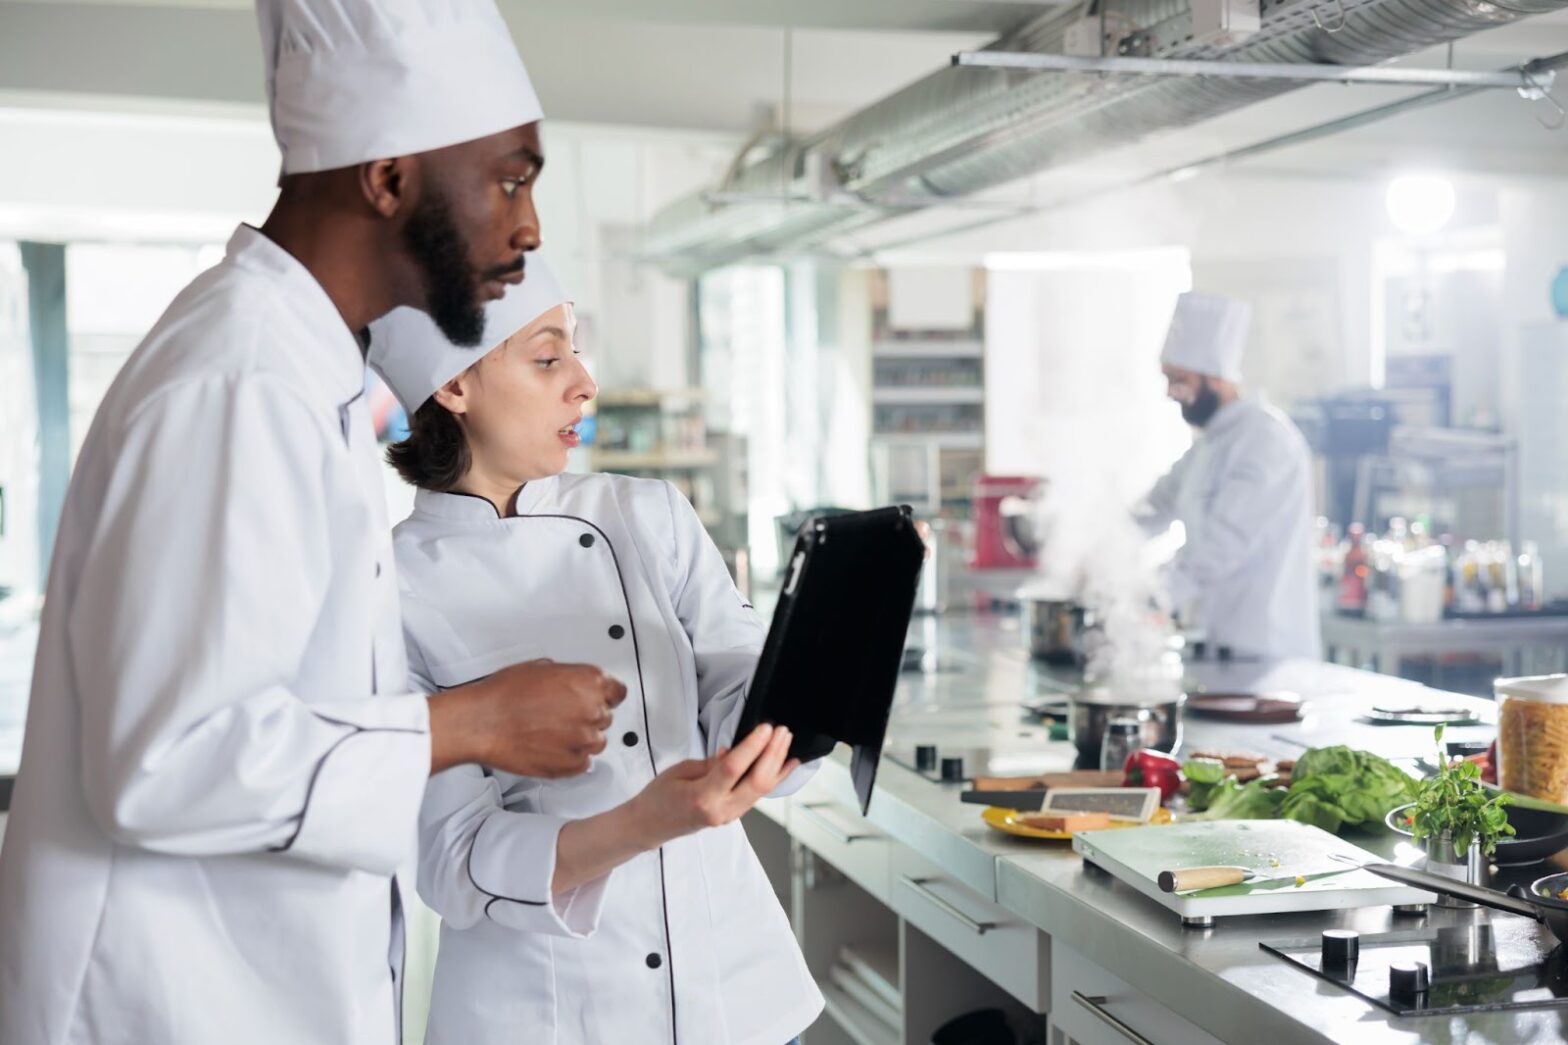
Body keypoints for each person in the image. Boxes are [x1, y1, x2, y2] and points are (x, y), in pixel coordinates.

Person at [0, 2, 626, 1042]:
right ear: (387, 176)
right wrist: (468, 723)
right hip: (156, 1002)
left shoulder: (301, 365)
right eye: (509, 178)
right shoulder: (240, 380)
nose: (528, 229)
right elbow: (169, 758)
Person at [368, 258, 826, 1045]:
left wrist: (807, 686)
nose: (583, 382)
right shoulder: (392, 586)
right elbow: (455, 858)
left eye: (576, 351)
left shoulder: (646, 514)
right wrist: (644, 821)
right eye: (547, 358)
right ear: (454, 386)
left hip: (742, 998)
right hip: (549, 1018)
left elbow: (736, 690)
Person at [1137, 291, 1321, 661]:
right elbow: (1153, 507)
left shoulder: (1265, 441)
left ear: (1215, 378)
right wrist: (1094, 548)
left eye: (1179, 380)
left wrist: (1142, 593)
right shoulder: (1210, 445)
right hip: (1215, 647)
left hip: (1265, 654)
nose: (1171, 393)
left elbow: (1223, 546)